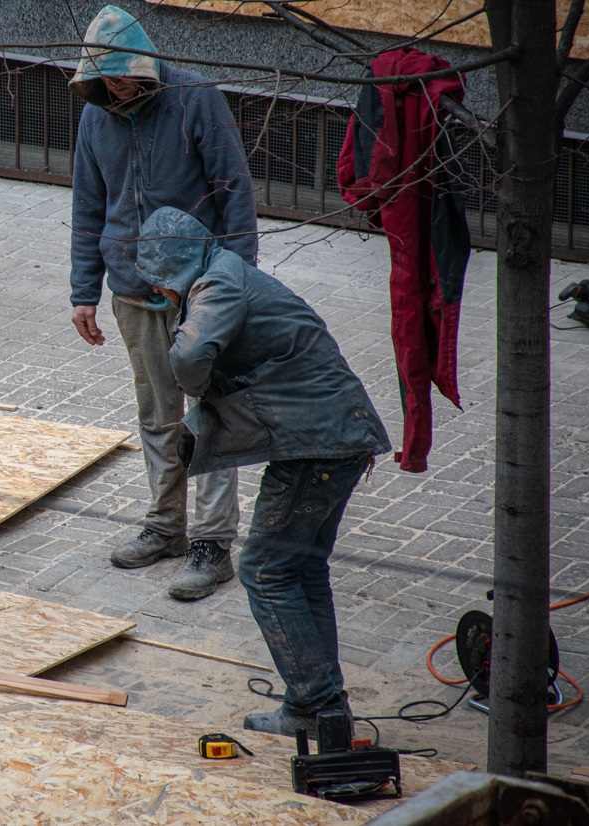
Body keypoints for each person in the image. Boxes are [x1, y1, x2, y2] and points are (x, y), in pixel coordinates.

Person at [135, 205, 391, 735]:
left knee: (265, 569)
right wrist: (201, 422)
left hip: (318, 446)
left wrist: (198, 397)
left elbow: (188, 360)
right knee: (300, 567)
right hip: (335, 436)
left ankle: (315, 709)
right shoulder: (227, 273)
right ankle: (321, 704)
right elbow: (258, 371)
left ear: (173, 273)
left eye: (163, 288)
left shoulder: (217, 287)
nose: (164, 298)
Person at [68, 4, 256, 600]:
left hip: (201, 288)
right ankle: (164, 526)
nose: (117, 86)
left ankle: (212, 543)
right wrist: (82, 291)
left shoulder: (198, 98)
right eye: (106, 78)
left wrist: (236, 285)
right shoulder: (97, 116)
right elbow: (87, 205)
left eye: (125, 74)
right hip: (131, 289)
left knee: (212, 414)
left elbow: (236, 193)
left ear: (146, 64)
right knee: (158, 413)